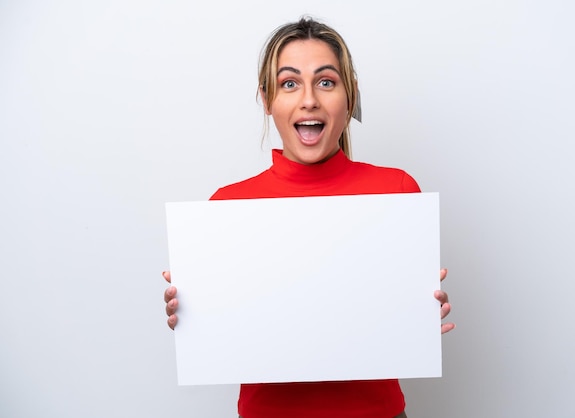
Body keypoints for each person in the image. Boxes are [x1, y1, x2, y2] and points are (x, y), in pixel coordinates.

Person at [163, 16, 455, 418]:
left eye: (326, 81)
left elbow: (399, 315)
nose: (308, 100)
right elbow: (227, 335)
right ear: (267, 101)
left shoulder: (397, 192)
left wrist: (422, 309)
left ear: (348, 98)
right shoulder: (227, 208)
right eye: (289, 83)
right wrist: (194, 311)